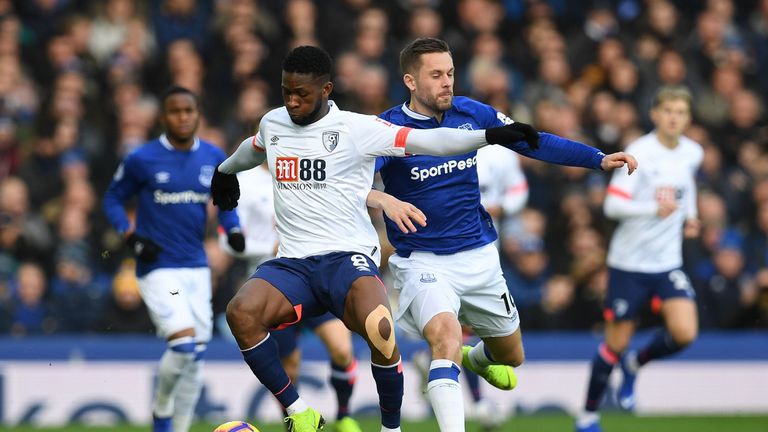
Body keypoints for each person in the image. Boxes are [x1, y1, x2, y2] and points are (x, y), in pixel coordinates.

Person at [209, 45, 595, 432]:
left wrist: (490, 135)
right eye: (286, 92)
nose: (292, 101)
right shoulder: (274, 123)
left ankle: (392, 424)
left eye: (302, 94)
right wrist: (225, 171)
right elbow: (254, 148)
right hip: (298, 260)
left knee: (392, 332)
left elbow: (431, 142)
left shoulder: (359, 129)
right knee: (240, 312)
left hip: (349, 257)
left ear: (326, 90)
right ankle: (300, 411)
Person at [370, 37, 637, 432]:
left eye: (451, 73)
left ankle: (475, 360)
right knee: (444, 337)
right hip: (422, 261)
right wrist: (382, 199)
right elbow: (342, 180)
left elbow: (532, 140)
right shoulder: (385, 129)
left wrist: (596, 159)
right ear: (411, 80)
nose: (447, 83)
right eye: (436, 75)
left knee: (511, 356)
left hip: (479, 256)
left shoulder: (470, 113)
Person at [102, 86, 246, 432]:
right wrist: (129, 235)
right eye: (175, 111)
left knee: (194, 358)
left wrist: (234, 229)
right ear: (163, 117)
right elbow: (112, 199)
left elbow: (225, 203)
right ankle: (162, 411)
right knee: (182, 345)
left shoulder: (213, 157)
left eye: (189, 111)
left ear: (197, 116)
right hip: (157, 268)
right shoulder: (142, 159)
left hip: (197, 268)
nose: (183, 117)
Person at [575, 86, 702, 432]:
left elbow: (685, 186)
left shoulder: (693, 152)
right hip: (629, 265)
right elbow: (612, 205)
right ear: (656, 115)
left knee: (685, 332)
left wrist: (690, 216)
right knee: (614, 343)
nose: (674, 117)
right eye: (669, 110)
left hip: (667, 263)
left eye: (681, 111)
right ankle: (587, 417)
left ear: (688, 118)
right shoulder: (639, 152)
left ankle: (635, 365)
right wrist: (653, 210)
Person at [218, 165, 362, 432]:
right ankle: (296, 423)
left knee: (342, 349)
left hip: (314, 276)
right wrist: (268, 247)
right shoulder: (245, 183)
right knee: (290, 367)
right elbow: (229, 240)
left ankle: (344, 415)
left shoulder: (308, 170)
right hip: (272, 285)